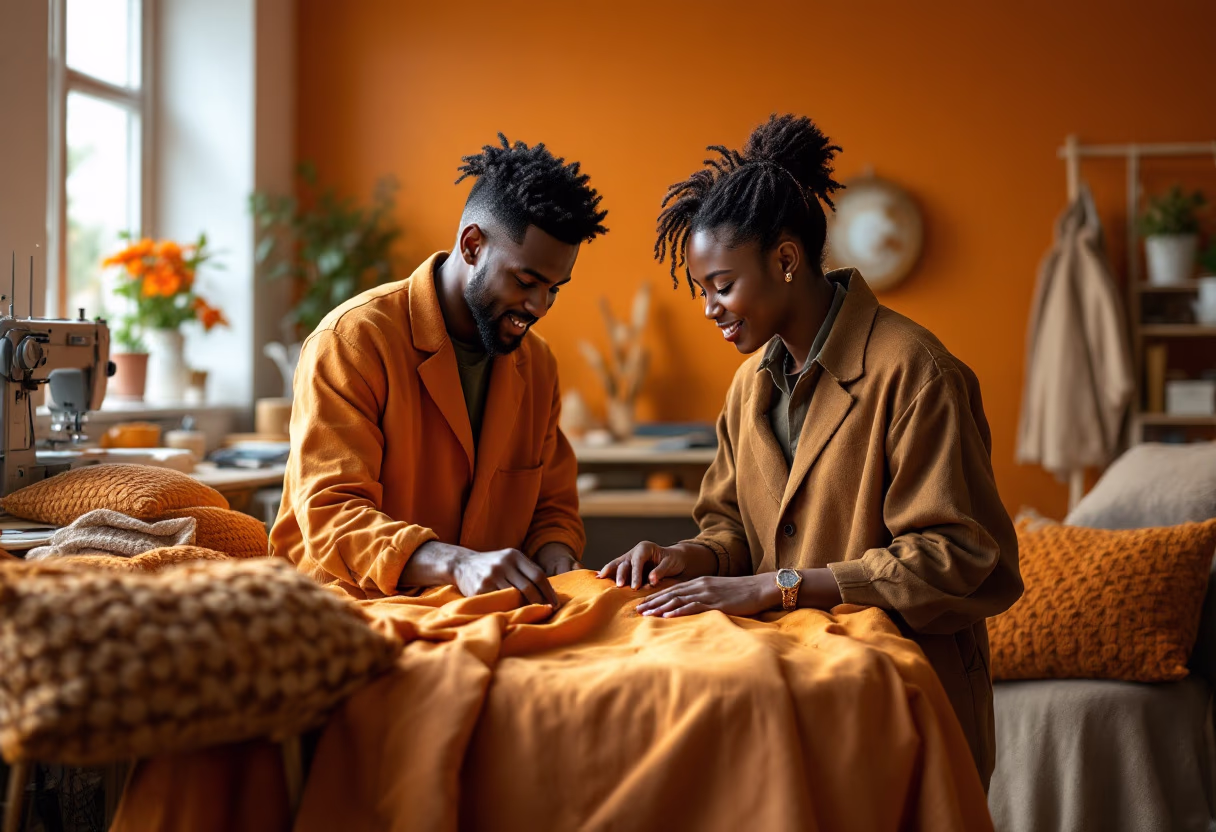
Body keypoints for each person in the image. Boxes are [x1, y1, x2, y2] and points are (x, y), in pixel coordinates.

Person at [598, 114, 1022, 786]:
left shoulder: (916, 371)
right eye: (701, 290)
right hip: (791, 690)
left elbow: (956, 556)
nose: (708, 308)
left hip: (905, 701)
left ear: (786, 261)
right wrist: (689, 557)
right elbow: (732, 527)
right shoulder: (747, 388)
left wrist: (778, 586)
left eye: (721, 285)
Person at [271, 133, 607, 606]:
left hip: (479, 612)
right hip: (345, 608)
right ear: (472, 245)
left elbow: (552, 509)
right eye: (527, 281)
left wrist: (556, 561)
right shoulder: (353, 341)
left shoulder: (538, 365)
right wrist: (458, 564)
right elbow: (332, 516)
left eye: (555, 288)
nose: (540, 306)